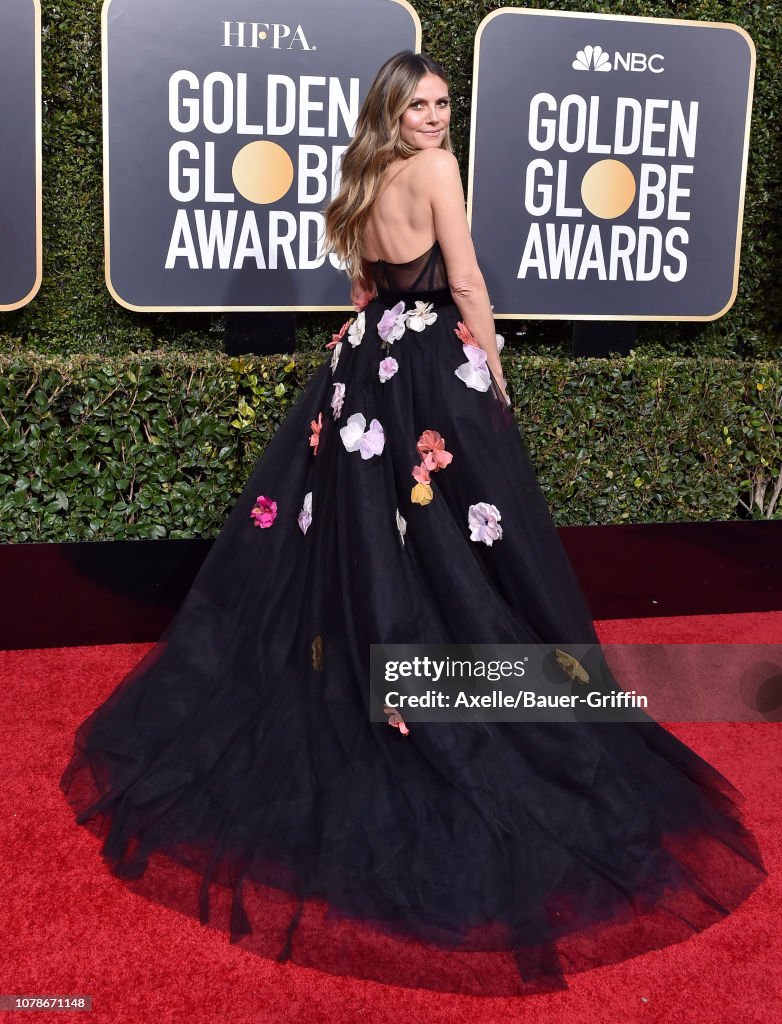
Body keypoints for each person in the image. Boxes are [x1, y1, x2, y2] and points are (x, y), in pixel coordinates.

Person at [60, 51, 766, 996]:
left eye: (443, 104)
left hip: (367, 370)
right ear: (393, 110)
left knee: (375, 540)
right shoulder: (433, 170)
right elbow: (465, 277)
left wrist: (384, 345)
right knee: (471, 542)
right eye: (421, 104)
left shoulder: (362, 177)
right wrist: (494, 368)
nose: (437, 118)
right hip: (432, 365)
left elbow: (363, 291)